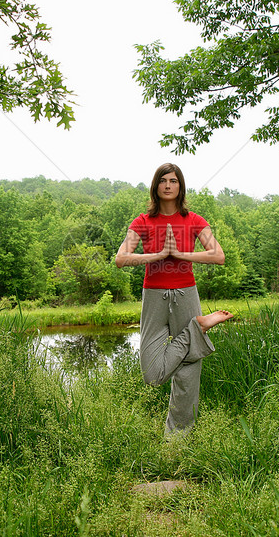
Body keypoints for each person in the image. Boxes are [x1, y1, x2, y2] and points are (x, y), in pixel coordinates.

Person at [115, 163, 233, 435]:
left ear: (181, 186)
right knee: (152, 372)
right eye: (163, 181)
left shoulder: (194, 220)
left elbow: (218, 255)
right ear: (155, 186)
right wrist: (157, 256)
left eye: (174, 180)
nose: (168, 185)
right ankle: (198, 328)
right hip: (154, 295)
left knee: (189, 369)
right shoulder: (142, 222)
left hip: (185, 292)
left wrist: (179, 255)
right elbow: (121, 259)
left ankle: (178, 439)